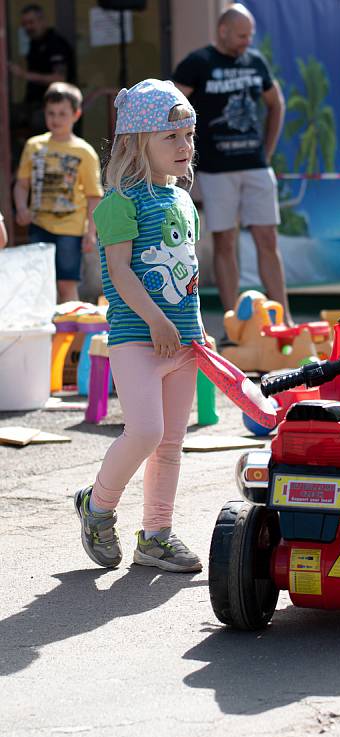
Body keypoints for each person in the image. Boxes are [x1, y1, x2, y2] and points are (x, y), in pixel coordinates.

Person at [74, 78, 209, 573]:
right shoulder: (118, 203)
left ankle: (156, 536)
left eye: (188, 135)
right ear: (136, 142)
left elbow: (188, 271)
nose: (184, 146)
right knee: (146, 432)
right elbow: (120, 274)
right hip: (136, 337)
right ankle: (98, 506)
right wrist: (154, 319)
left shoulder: (182, 202)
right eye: (170, 137)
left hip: (181, 343)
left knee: (171, 443)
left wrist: (196, 331)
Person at [172, 3, 293, 326]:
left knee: (268, 239)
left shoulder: (255, 61)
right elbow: (171, 109)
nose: (246, 42)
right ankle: (233, 324)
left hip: (255, 165)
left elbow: (276, 102)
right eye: (241, 35)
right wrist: (184, 153)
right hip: (216, 169)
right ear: (222, 31)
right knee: (225, 242)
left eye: (250, 35)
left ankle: (285, 320)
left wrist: (266, 151)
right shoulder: (197, 63)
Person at [13, 82, 102, 303]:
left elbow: (94, 196)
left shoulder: (84, 152)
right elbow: (22, 184)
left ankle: (70, 333)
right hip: (39, 225)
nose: (56, 118)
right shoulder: (34, 146)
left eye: (63, 113)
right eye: (51, 113)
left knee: (66, 285)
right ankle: (47, 334)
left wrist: (91, 232)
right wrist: (22, 207)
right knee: (39, 284)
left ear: (76, 114)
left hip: (70, 230)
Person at [9, 4, 76, 136]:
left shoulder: (55, 43)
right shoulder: (34, 43)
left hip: (54, 107)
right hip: (34, 105)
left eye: (31, 22)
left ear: (42, 21)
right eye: (24, 24)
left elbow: (60, 78)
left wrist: (24, 74)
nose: (28, 27)